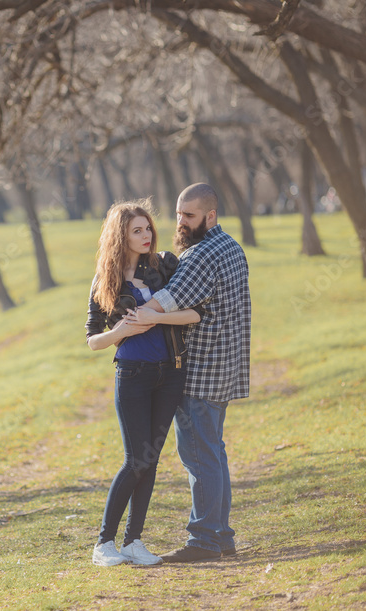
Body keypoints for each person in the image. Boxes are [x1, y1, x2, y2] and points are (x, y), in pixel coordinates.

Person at [131, 183, 251, 563]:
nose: (180, 222)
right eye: (179, 214)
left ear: (210, 216)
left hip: (201, 372)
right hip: (225, 370)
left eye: (189, 215)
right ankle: (221, 537)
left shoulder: (201, 254)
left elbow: (164, 303)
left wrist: (129, 312)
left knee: (199, 457)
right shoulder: (232, 247)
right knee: (213, 453)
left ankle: (203, 540)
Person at [85, 198, 202, 567]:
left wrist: (156, 318)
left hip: (171, 373)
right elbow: (93, 340)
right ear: (121, 236)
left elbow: (195, 313)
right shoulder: (105, 280)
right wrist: (119, 331)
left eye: (148, 227)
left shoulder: (165, 266)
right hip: (132, 374)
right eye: (137, 230)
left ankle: (133, 542)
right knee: (135, 459)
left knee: (150, 461)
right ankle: (104, 544)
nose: (146, 234)